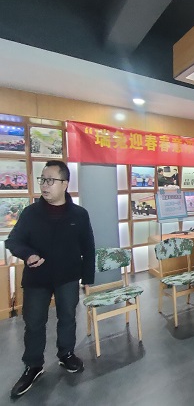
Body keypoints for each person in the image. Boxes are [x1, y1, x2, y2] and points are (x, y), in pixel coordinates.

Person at [6, 160, 95, 398]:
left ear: (65, 184)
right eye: (42, 180)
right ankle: (33, 365)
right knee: (34, 323)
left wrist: (88, 276)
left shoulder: (79, 215)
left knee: (67, 318)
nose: (44, 185)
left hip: (68, 277)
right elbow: (13, 241)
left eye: (50, 180)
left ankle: (66, 354)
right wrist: (28, 254)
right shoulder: (31, 213)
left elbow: (88, 247)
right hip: (37, 279)